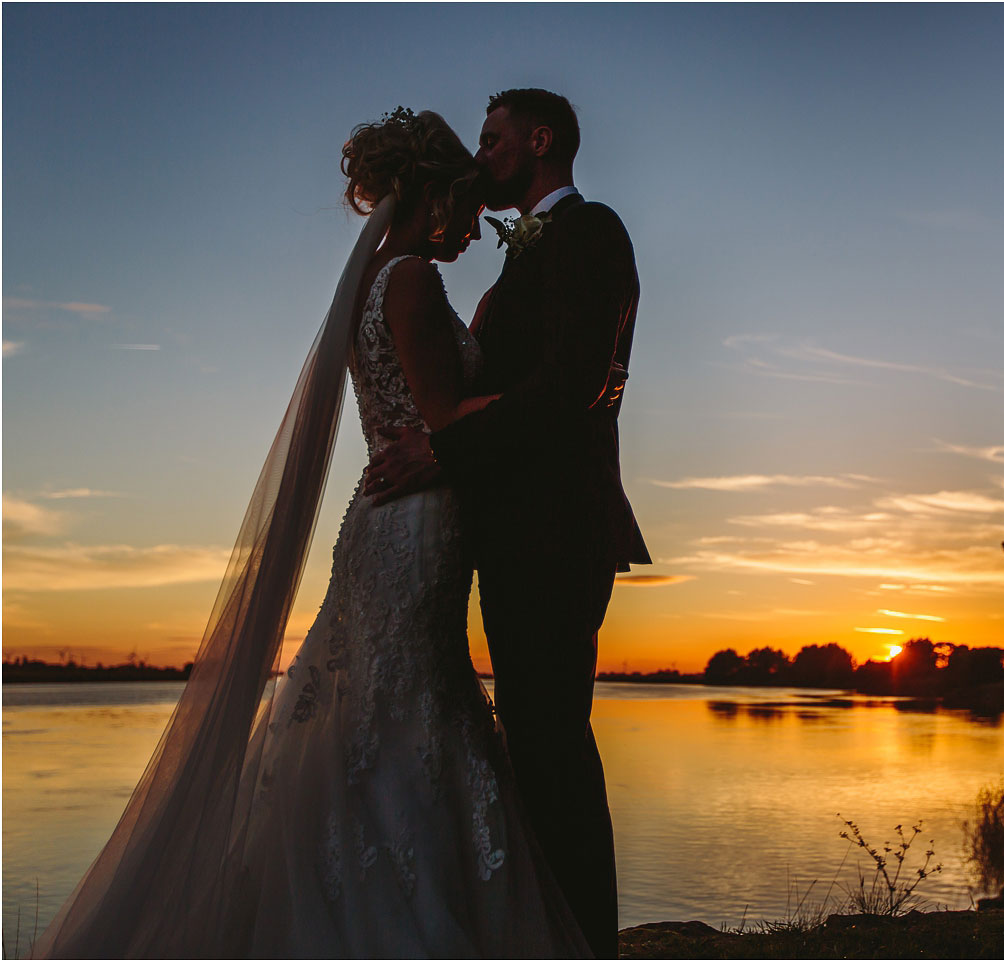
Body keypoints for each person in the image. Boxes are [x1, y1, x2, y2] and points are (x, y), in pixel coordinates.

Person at [33, 108, 590, 958]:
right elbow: (441, 414)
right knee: (411, 705)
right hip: (416, 519)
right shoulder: (409, 279)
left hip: (386, 520)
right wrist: (551, 402)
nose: (477, 227)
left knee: (380, 709)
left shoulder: (376, 280)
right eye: (468, 207)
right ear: (435, 196)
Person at [364, 88, 649, 958]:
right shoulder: (511, 266)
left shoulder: (593, 232)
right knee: (531, 738)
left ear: (540, 139)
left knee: (553, 739)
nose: (481, 154)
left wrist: (444, 453)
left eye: (492, 139)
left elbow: (573, 388)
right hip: (511, 534)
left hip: (561, 528)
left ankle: (587, 940)